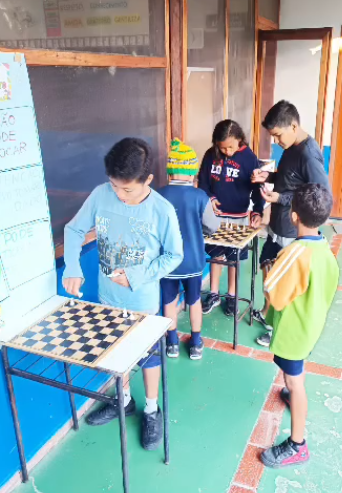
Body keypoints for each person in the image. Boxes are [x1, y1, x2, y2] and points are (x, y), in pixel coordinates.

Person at [62, 138, 183, 450]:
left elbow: (174, 255)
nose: (119, 194)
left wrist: (136, 276)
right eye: (114, 185)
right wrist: (72, 266)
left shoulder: (162, 210)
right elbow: (74, 230)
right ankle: (124, 400)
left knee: (148, 356)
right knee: (117, 352)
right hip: (108, 299)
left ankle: (152, 410)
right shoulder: (100, 195)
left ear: (148, 180)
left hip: (142, 302)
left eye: (127, 189)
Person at [260, 183, 339, 468]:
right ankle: (292, 395)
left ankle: (297, 445)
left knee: (295, 381)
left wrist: (268, 267)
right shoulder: (325, 251)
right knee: (293, 376)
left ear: (293, 216)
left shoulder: (295, 252)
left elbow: (273, 294)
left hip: (294, 331)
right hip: (310, 325)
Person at [252, 100, 330, 347]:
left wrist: (281, 198)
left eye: (277, 135)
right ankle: (269, 316)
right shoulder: (292, 146)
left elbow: (320, 194)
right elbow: (290, 178)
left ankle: (279, 331)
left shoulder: (308, 155)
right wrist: (268, 176)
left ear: (293, 127)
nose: (276, 141)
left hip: (291, 230)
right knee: (269, 273)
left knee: (285, 285)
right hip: (278, 225)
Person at [158, 139, 220, 360]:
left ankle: (172, 342)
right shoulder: (200, 196)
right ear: (191, 172)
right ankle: (195, 343)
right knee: (194, 301)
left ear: (170, 171)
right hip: (193, 261)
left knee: (169, 301)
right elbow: (212, 226)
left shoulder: (157, 195)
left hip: (166, 262)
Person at [198, 120, 264, 316]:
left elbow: (257, 188)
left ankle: (232, 295)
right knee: (216, 255)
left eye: (231, 147)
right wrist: (210, 197)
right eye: (223, 148)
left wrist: (258, 210)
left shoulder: (249, 158)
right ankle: (214, 294)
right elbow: (203, 181)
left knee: (234, 258)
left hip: (238, 219)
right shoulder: (211, 155)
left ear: (240, 139)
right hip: (215, 217)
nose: (227, 151)